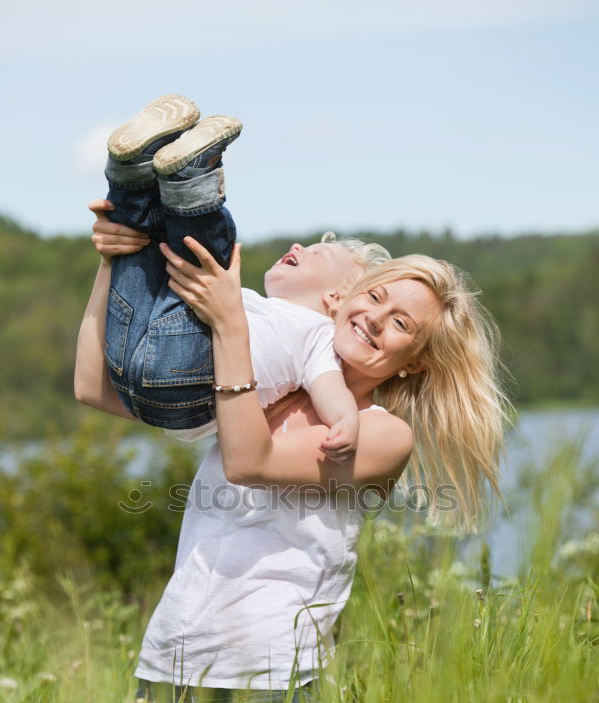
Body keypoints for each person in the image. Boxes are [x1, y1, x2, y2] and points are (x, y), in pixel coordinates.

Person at [75, 110, 509, 703]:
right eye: (375, 297)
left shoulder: (381, 436)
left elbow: (249, 462)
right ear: (344, 299)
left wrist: (228, 326)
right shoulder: (268, 387)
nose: (374, 319)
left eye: (400, 325)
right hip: (173, 655)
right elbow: (92, 386)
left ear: (415, 361)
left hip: (272, 676)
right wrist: (115, 265)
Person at [85, 93, 391, 464]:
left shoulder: (318, 334)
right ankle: (133, 171)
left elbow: (331, 387)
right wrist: (110, 260)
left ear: (336, 298)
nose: (299, 246)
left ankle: (190, 177)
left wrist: (346, 422)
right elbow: (88, 388)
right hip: (134, 371)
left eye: (318, 254)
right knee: (146, 251)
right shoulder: (256, 307)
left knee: (207, 260)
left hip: (190, 390)